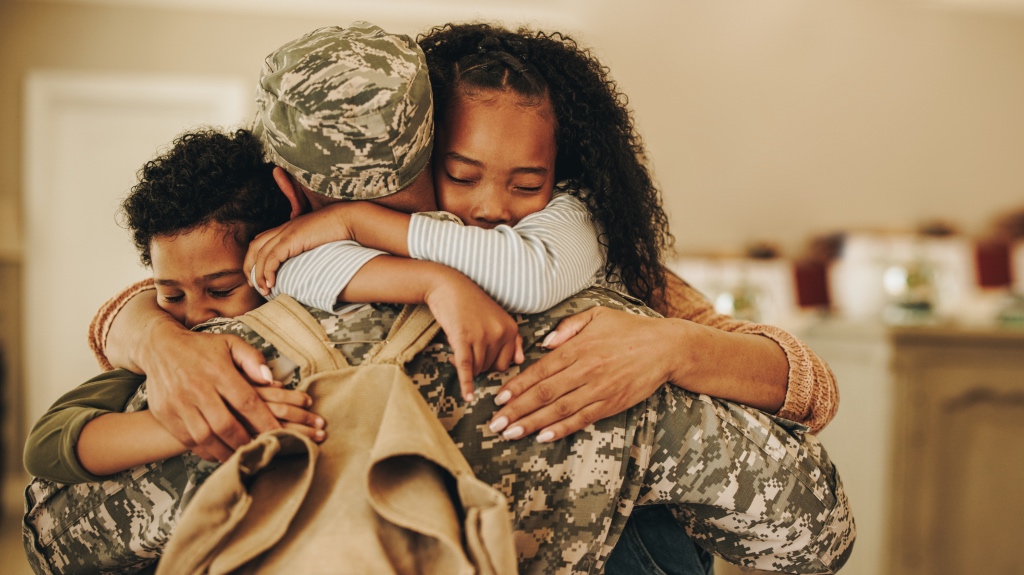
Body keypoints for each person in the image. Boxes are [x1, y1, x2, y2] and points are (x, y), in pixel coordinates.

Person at [38, 22, 853, 575]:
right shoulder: (251, 304)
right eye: (460, 173)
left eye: (524, 183)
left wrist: (677, 346)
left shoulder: (602, 281)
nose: (487, 210)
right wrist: (154, 333)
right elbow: (813, 533)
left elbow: (56, 533)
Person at [22, 128, 329, 484]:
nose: (194, 315)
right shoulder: (175, 349)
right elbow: (44, 444)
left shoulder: (308, 286)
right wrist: (198, 421)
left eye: (221, 290)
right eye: (172, 295)